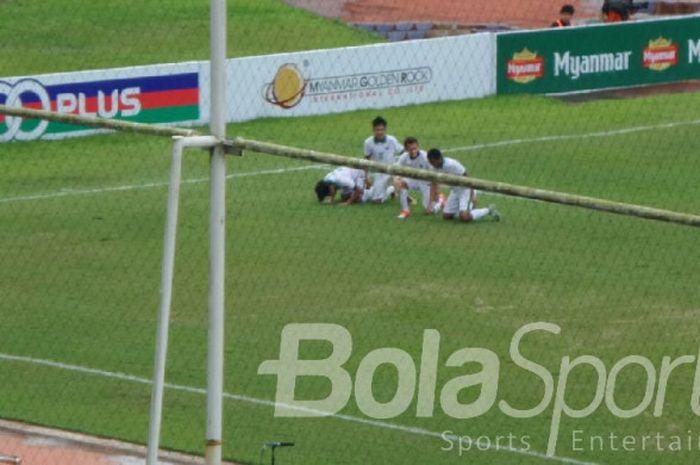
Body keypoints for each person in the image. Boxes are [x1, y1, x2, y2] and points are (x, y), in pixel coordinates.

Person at [426, 149, 500, 223]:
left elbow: (468, 177)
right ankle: (465, 210)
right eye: (430, 161)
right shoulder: (433, 168)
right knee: (447, 216)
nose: (431, 164)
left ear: (439, 159)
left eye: (432, 161)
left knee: (464, 217)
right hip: (455, 191)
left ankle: (488, 210)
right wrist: (430, 205)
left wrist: (472, 195)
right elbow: (433, 185)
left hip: (466, 190)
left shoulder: (452, 164)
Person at [394, 137, 443, 219]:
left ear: (418, 146)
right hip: (413, 179)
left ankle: (441, 201)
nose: (413, 151)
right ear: (406, 149)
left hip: (426, 181)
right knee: (402, 183)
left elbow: (435, 175)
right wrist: (396, 180)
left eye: (415, 148)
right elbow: (396, 170)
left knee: (429, 210)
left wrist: (436, 191)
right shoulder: (404, 157)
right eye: (410, 149)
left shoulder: (425, 157)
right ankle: (405, 211)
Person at [363, 116, 401, 203]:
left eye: (382, 129)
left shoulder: (392, 140)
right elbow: (366, 160)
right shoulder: (368, 142)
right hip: (379, 172)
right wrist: (366, 177)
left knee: (398, 182)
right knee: (377, 201)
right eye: (377, 130)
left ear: (385, 129)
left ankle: (401, 193)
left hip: (393, 168)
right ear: (373, 129)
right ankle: (391, 190)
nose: (380, 132)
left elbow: (402, 152)